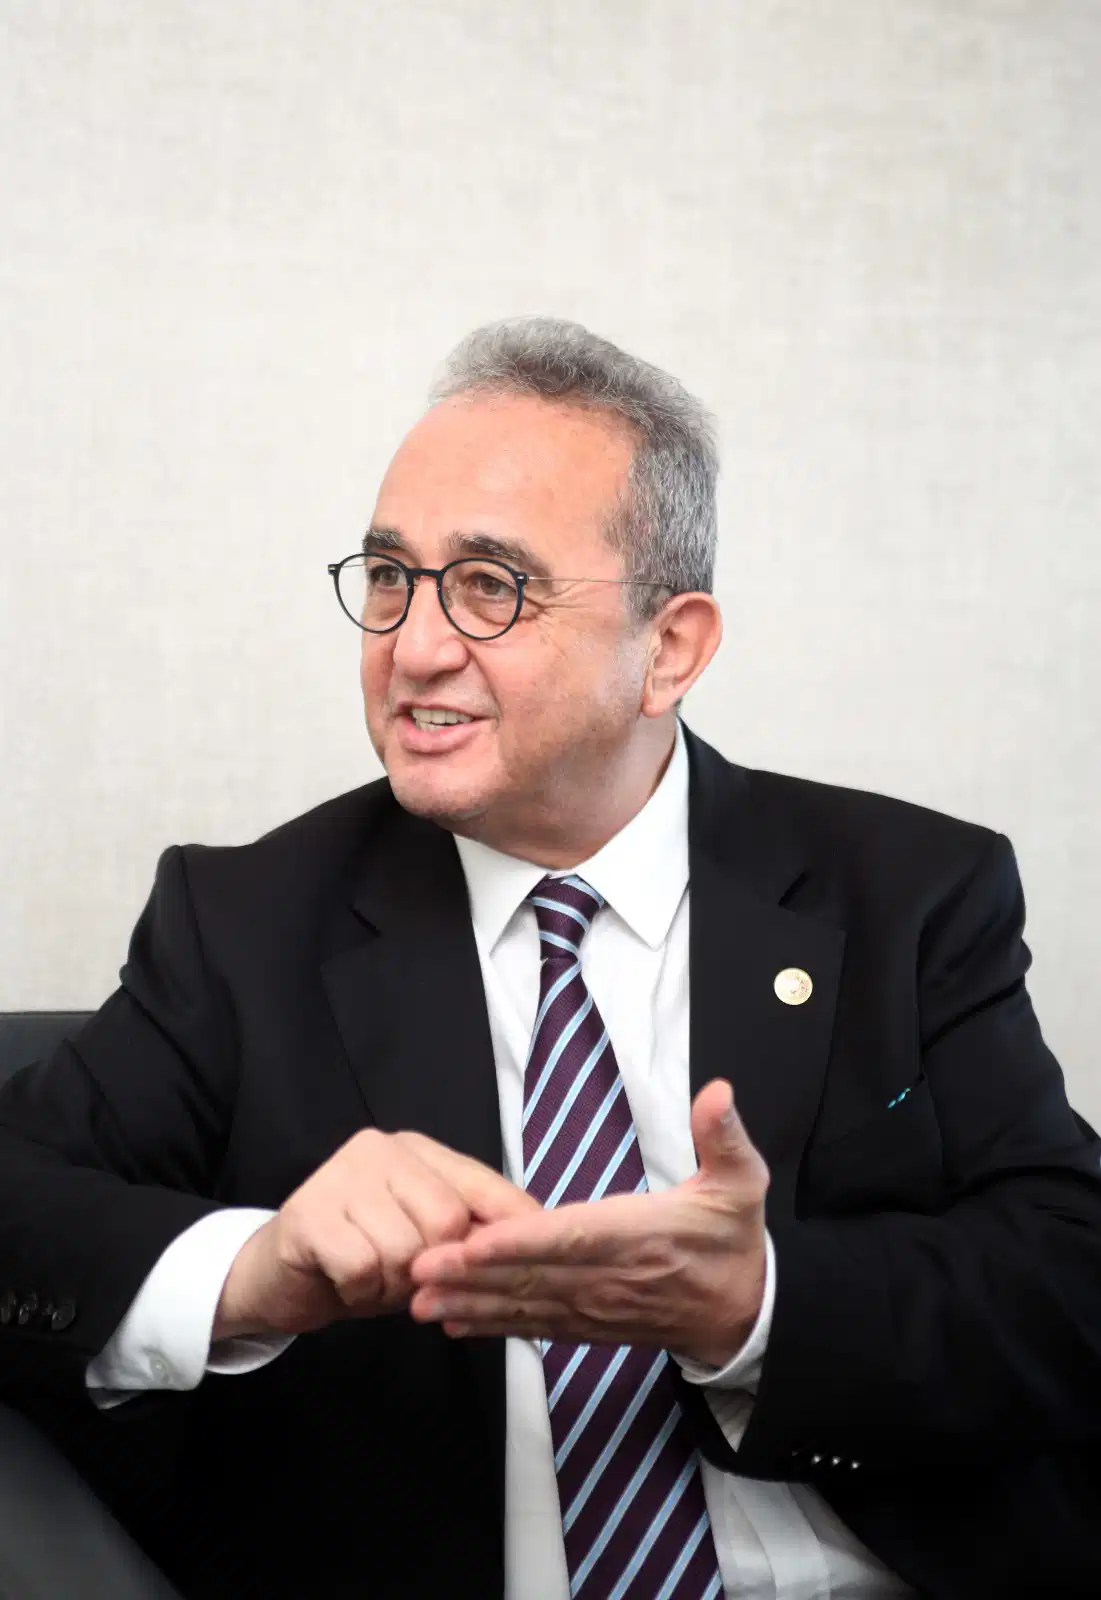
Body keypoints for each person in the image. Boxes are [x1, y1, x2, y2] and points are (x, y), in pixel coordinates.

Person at [1, 318, 1099, 1600]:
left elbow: (1067, 1274)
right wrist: (253, 1267)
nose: (414, 646)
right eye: (391, 575)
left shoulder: (907, 893)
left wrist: (757, 1306)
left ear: (669, 649)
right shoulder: (245, 921)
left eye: (491, 586)